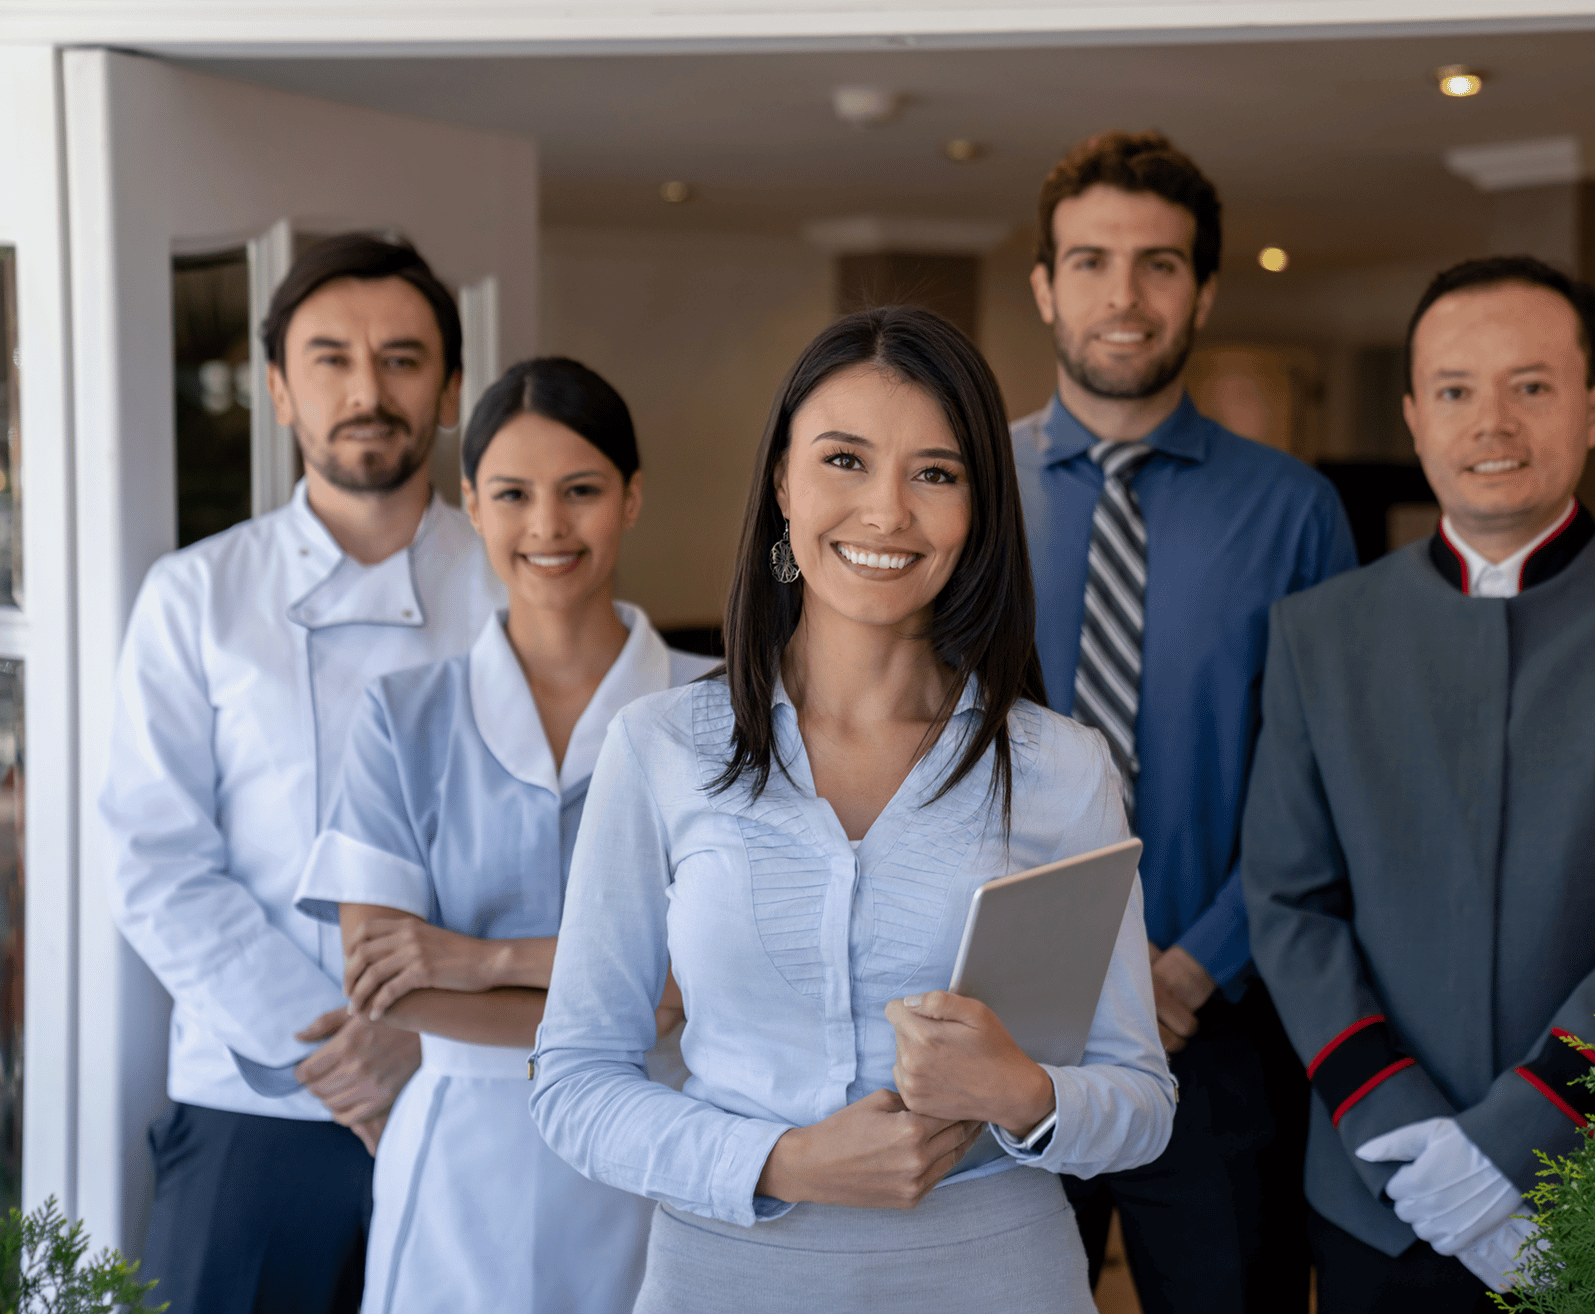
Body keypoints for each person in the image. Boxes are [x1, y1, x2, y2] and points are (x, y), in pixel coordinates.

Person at [529, 305, 1176, 1314]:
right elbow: (572, 1082)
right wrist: (780, 1162)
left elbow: (1141, 1102)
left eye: (935, 473)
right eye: (843, 460)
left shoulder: (1062, 768)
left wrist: (1022, 1091)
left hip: (998, 1279)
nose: (886, 512)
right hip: (723, 1281)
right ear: (782, 485)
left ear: (979, 510)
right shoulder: (659, 747)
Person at [1242, 255, 1595, 1308]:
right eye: (1454, 390)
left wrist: (1519, 1138)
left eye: (1530, 386)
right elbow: (1290, 906)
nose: (1491, 423)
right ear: (1413, 417)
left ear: (1594, 408)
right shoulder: (1318, 635)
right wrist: (1404, 1132)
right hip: (1379, 1193)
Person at [101, 233, 504, 1312]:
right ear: (278, 390)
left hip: (477, 1097)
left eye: (402, 359)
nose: (367, 391)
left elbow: (567, 863)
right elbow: (154, 862)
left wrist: (419, 1033)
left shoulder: (521, 594)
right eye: (331, 359)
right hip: (254, 1105)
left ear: (451, 390)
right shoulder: (195, 595)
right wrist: (337, 1047)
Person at [1010, 129, 1354, 1312]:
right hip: (1008, 1028)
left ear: (1201, 291)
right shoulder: (962, 491)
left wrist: (1191, 968)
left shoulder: (1295, 511)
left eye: (1157, 264)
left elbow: (1318, 782)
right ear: (1045, 286)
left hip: (1217, 1034)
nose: (1123, 296)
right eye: (1090, 261)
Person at [290, 357, 709, 1312]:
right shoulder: (404, 718)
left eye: (582, 491)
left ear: (632, 498)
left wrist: (477, 962)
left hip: (661, 1148)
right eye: (514, 494)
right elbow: (386, 985)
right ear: (472, 506)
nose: (548, 525)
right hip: (458, 1169)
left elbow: (700, 984)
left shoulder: (719, 713)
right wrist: (624, 992)